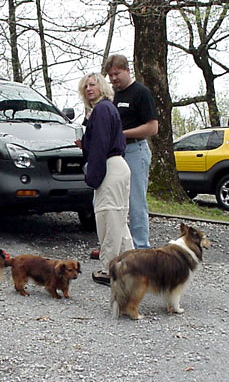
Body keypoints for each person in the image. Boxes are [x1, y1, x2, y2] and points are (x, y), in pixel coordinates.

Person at [77, 73, 133, 286]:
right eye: (86, 86)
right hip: (118, 166)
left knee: (108, 219)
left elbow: (101, 145)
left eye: (93, 85)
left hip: (110, 167)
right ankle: (132, 265)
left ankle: (110, 270)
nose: (89, 89)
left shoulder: (101, 110)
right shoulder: (108, 109)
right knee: (119, 220)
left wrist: (93, 177)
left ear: (102, 87)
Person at [105, 54, 158, 249]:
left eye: (117, 74)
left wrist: (121, 133)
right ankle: (118, 244)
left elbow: (152, 128)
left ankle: (141, 246)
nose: (113, 79)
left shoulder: (141, 93)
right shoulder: (112, 96)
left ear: (127, 71)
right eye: (110, 76)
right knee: (114, 199)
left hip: (136, 150)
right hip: (116, 152)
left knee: (136, 201)